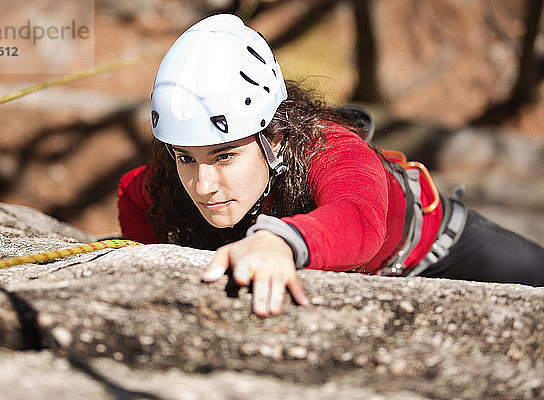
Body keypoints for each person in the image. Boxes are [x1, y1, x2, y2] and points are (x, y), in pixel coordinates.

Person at [118, 14, 544, 317]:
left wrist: (279, 242)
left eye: (225, 155)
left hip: (438, 246)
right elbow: (131, 193)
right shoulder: (171, 179)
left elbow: (360, 217)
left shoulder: (331, 147)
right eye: (185, 158)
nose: (204, 184)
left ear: (276, 138)